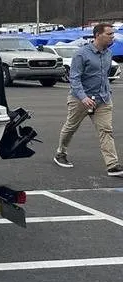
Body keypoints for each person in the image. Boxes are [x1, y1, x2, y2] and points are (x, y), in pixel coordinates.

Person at [54, 22, 123, 176]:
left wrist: (107, 91)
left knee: (106, 130)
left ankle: (112, 165)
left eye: (113, 34)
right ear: (98, 35)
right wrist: (83, 97)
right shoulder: (81, 54)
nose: (113, 37)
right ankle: (61, 153)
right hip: (80, 99)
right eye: (109, 34)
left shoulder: (108, 53)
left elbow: (104, 75)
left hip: (103, 100)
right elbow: (74, 78)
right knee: (71, 127)